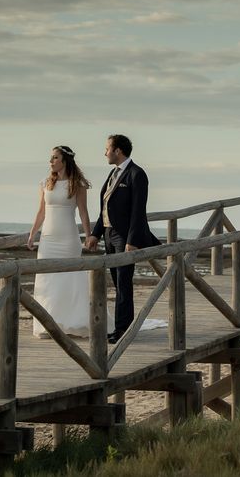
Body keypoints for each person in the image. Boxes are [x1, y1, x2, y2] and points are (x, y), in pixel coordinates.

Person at [85, 134, 161, 344]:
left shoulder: (137, 174)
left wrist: (132, 240)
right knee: (118, 284)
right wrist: (95, 234)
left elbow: (138, 211)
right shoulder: (113, 173)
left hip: (125, 236)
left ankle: (123, 331)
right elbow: (105, 208)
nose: (105, 152)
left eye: (107, 148)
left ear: (118, 150)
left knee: (124, 283)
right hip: (109, 235)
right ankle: (121, 328)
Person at [27, 145, 92, 338]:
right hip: (48, 239)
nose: (51, 161)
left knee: (69, 280)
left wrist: (88, 235)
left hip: (68, 238)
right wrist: (32, 234)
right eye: (51, 158)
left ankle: (72, 323)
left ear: (65, 161)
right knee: (48, 280)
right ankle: (47, 324)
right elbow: (41, 211)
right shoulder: (46, 183)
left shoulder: (77, 184)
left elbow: (83, 212)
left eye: (55, 158)